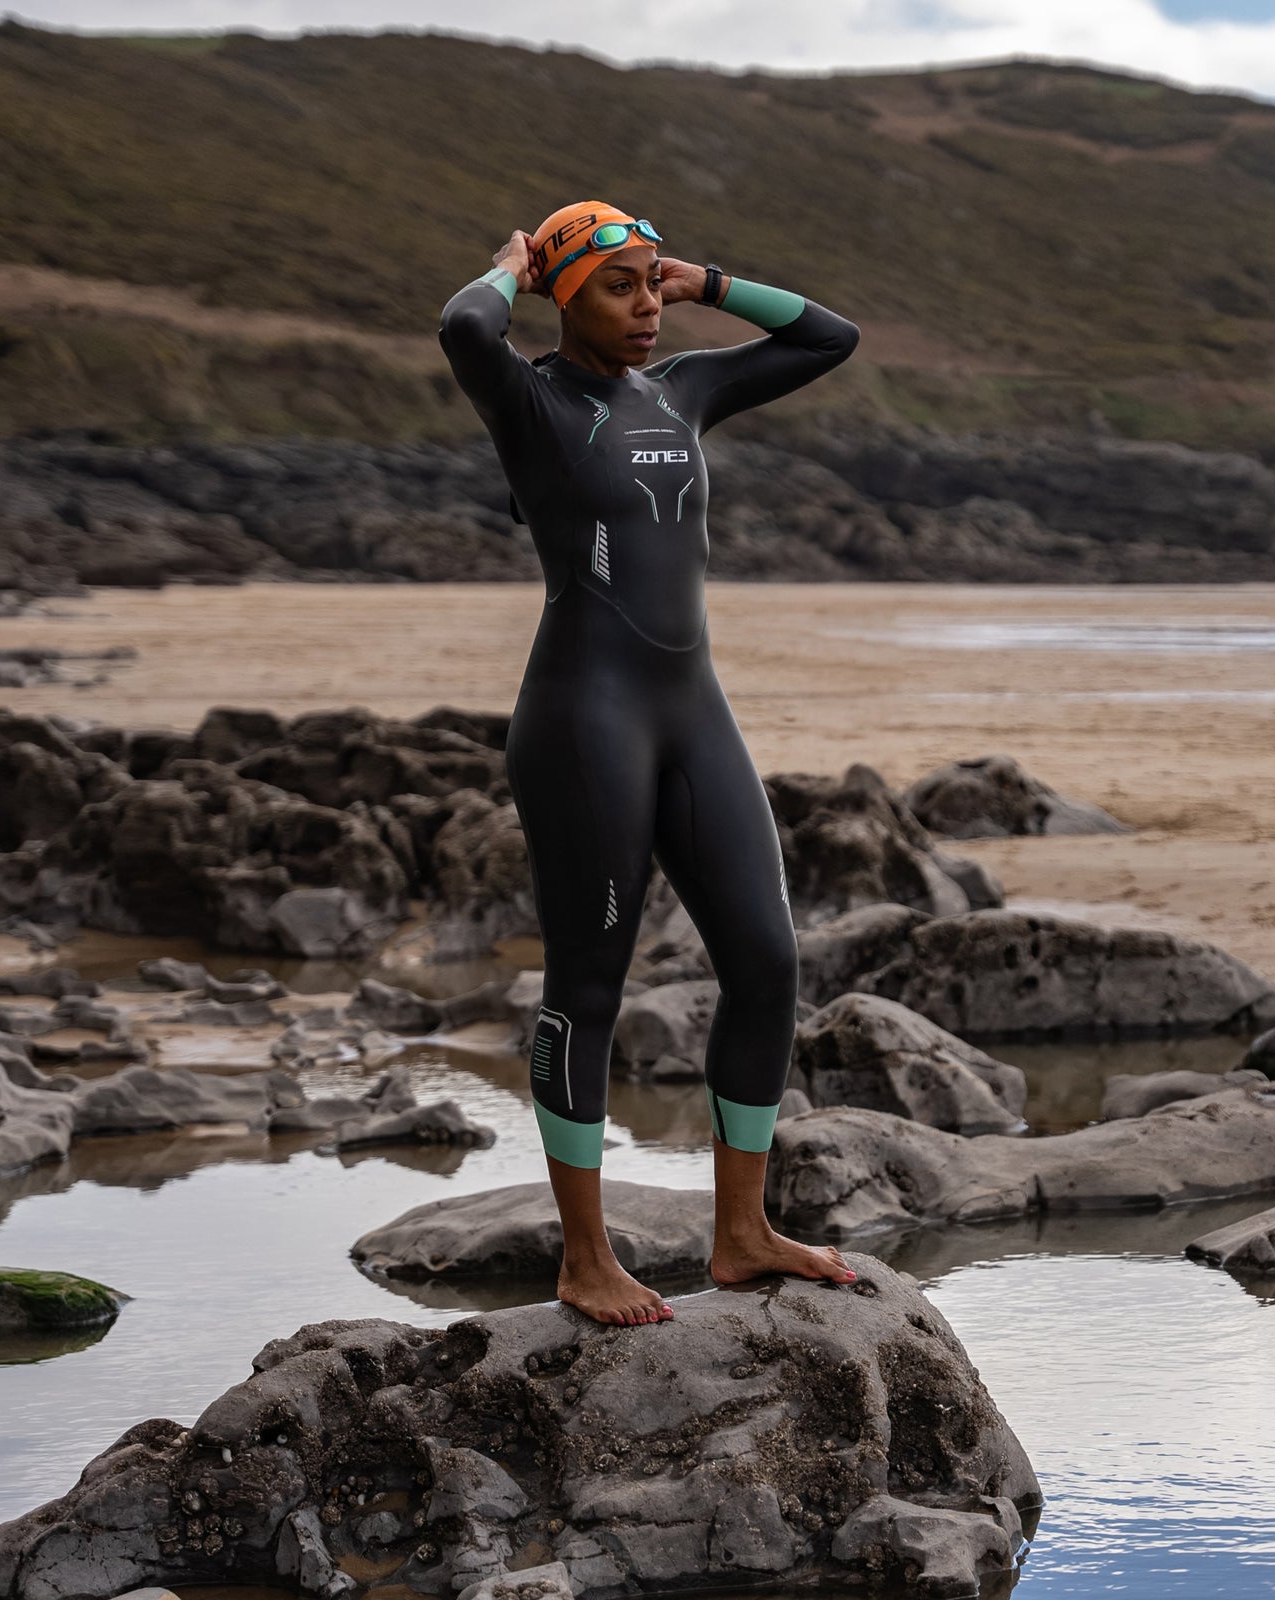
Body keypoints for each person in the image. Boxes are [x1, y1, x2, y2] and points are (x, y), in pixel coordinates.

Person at [438, 201, 861, 1328]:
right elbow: (464, 328)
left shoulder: (681, 391)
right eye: (616, 287)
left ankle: (742, 1233)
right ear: (562, 297)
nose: (642, 306)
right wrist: (510, 265)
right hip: (585, 721)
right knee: (590, 985)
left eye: (647, 282)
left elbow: (829, 338)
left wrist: (704, 282)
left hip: (693, 714)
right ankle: (585, 1258)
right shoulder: (532, 400)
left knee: (766, 960)